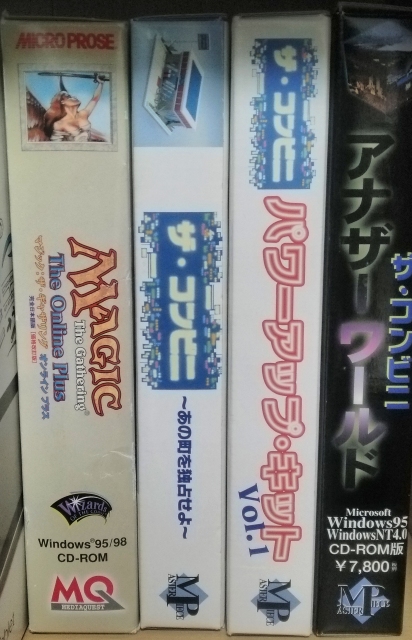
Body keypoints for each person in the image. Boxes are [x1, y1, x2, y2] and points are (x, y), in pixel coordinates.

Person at [44, 75, 105, 142]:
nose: (74, 97)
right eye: (69, 97)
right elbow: (56, 144)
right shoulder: (59, 124)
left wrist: (100, 83)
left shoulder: (83, 113)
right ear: (62, 102)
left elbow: (95, 98)